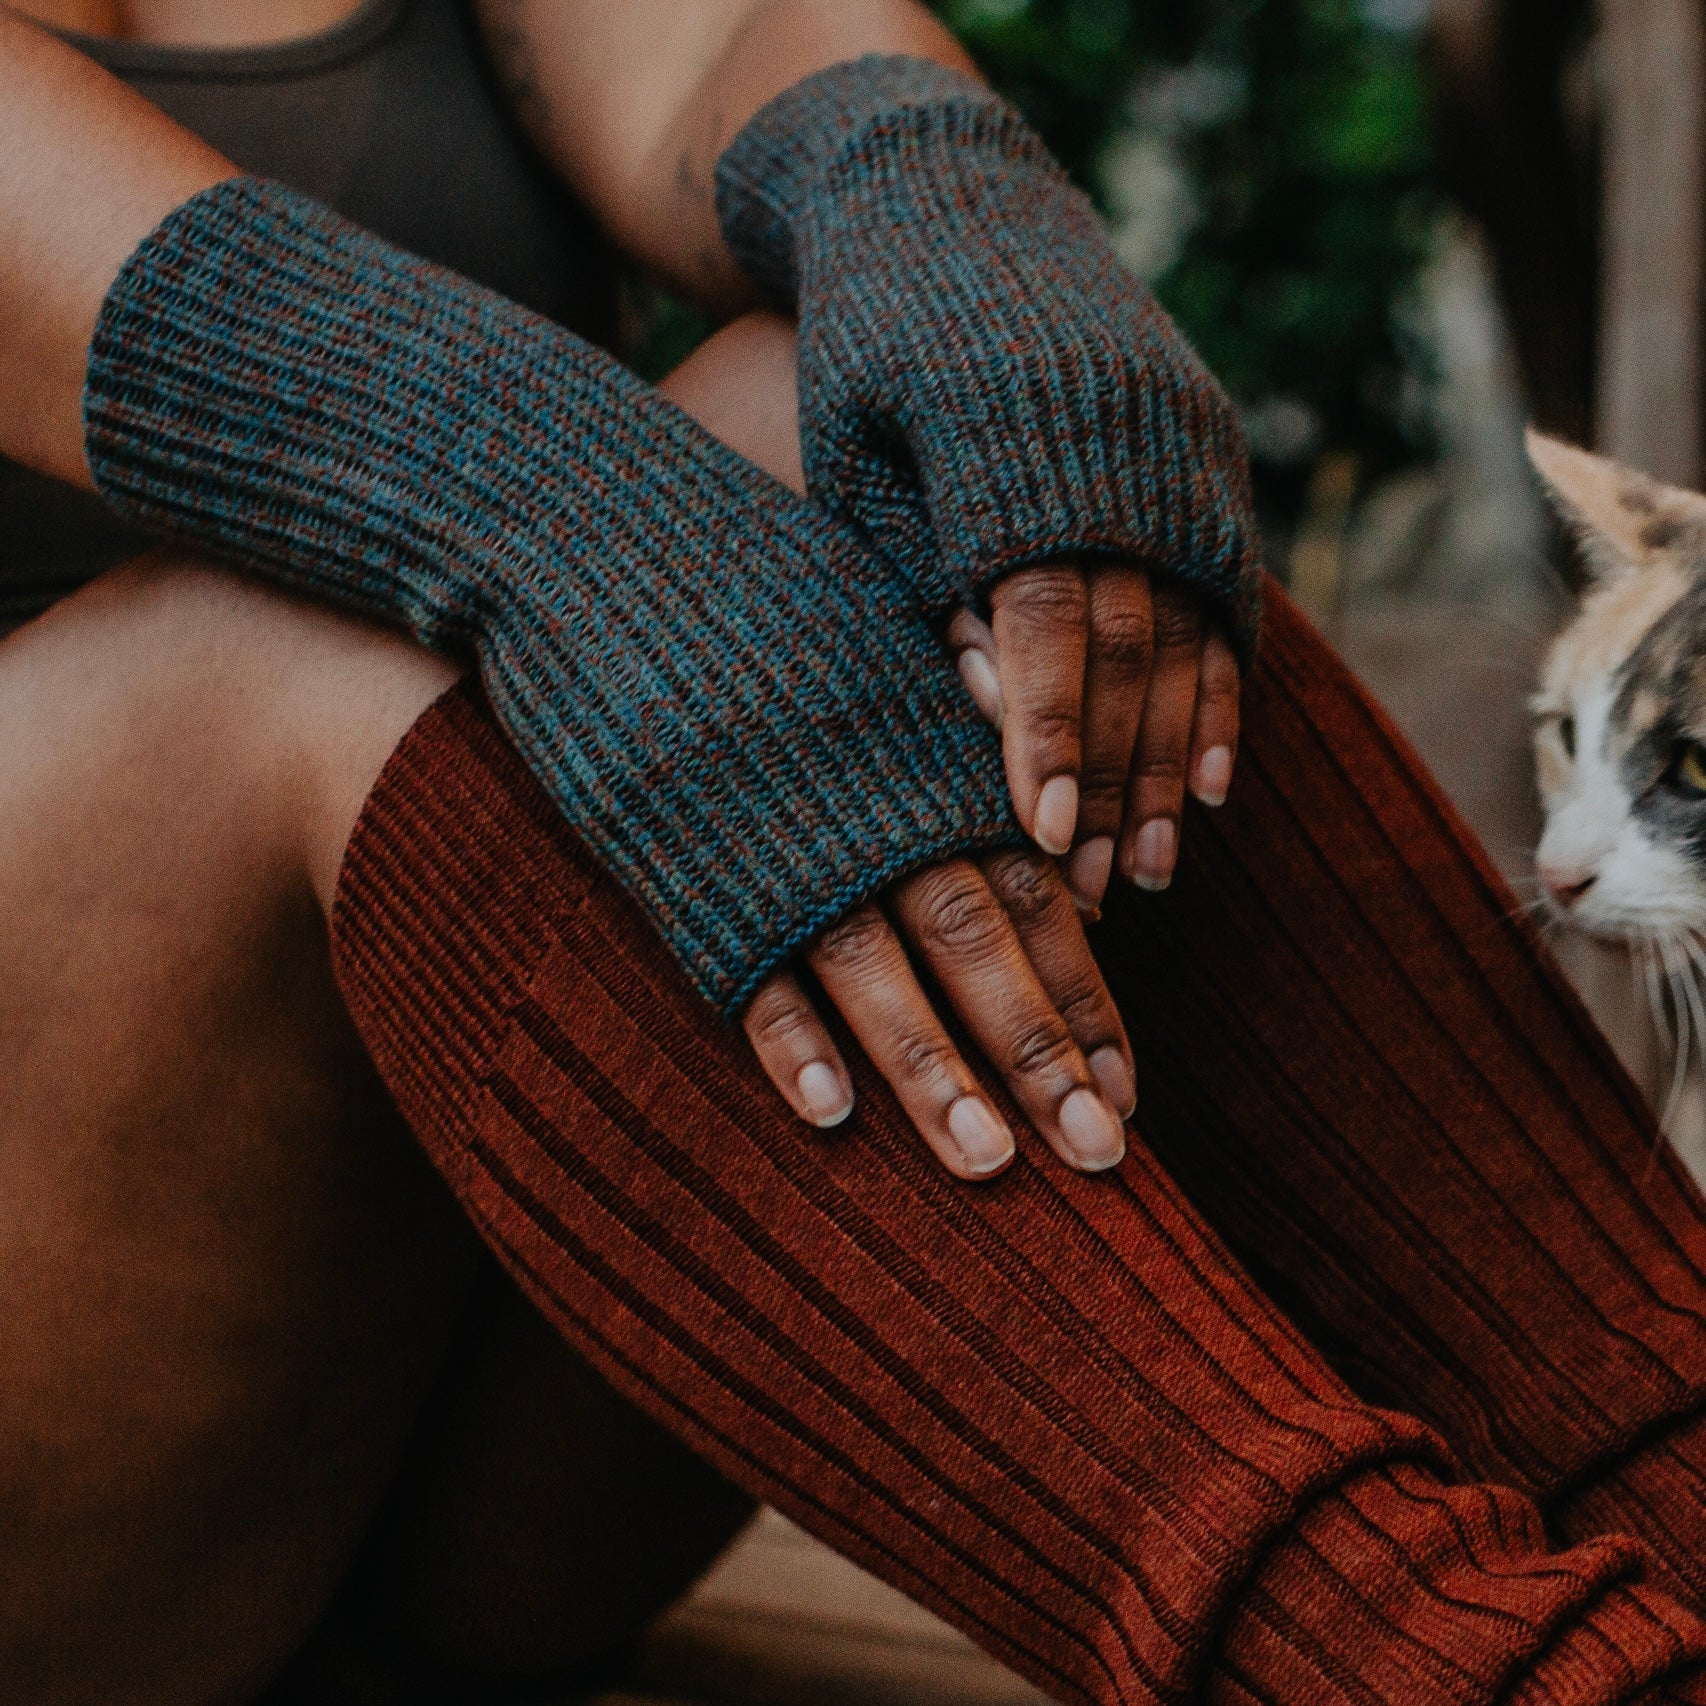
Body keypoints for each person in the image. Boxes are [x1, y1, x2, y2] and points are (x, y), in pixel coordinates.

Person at [7, 3, 1706, 1703]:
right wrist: (545, 495)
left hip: (508, 1389)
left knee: (852, 426)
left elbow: (722, 40)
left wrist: (927, 188)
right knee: (302, 646)